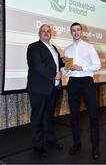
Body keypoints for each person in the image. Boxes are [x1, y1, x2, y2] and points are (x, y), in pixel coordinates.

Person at [64, 22, 101, 159]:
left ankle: (95, 146)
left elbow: (97, 65)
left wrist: (82, 68)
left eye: (78, 30)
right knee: (74, 116)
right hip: (73, 83)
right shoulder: (67, 49)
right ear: (71, 32)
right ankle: (76, 143)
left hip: (86, 82)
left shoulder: (89, 47)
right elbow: (66, 72)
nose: (76, 32)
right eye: (73, 30)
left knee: (93, 115)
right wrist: (66, 68)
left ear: (81, 32)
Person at [26, 24, 64, 157]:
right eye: (43, 31)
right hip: (39, 89)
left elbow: (56, 63)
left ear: (51, 34)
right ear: (39, 33)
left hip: (53, 88)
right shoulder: (34, 47)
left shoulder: (53, 48)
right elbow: (37, 65)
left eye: (48, 31)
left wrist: (64, 61)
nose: (46, 33)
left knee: (49, 117)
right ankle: (38, 145)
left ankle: (49, 140)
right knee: (38, 117)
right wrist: (54, 74)